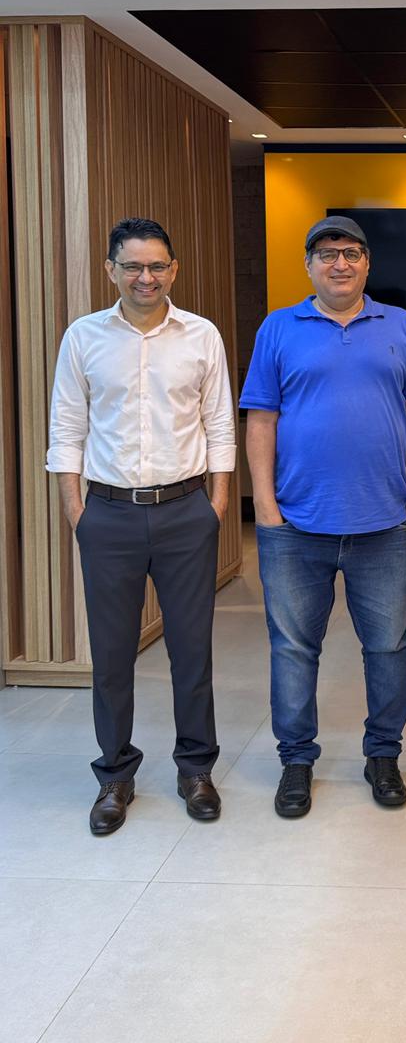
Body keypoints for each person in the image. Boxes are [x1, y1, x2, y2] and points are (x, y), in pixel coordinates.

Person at [241, 215, 406, 818]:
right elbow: (260, 422)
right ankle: (296, 761)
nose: (340, 263)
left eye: (351, 253)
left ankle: (383, 754)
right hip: (296, 527)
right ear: (309, 264)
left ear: (367, 264)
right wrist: (266, 509)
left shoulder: (399, 324)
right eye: (327, 254)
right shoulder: (278, 328)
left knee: (388, 647)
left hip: (383, 524)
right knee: (294, 650)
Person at [46, 217, 235, 835]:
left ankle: (195, 769)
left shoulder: (201, 335)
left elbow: (219, 425)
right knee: (110, 656)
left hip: (186, 512)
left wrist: (217, 502)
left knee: (191, 651)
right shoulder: (84, 337)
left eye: (156, 266)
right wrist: (79, 512)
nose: (145, 277)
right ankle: (115, 775)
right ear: (112, 271)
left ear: (173, 270)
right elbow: (67, 428)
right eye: (132, 266)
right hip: (108, 514)